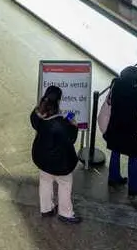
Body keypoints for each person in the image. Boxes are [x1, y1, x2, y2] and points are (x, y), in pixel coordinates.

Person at [30, 85, 81, 224]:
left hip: (42, 158)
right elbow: (71, 139)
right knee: (65, 184)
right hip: (60, 163)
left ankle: (46, 209)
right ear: (58, 101)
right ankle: (65, 213)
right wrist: (74, 125)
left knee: (45, 182)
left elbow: (36, 124)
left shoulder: (36, 114)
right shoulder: (61, 124)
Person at [102, 66, 137, 199]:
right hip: (127, 131)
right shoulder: (133, 95)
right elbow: (130, 117)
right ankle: (135, 187)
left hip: (114, 127)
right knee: (134, 155)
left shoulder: (116, 85)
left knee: (115, 151)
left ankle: (114, 177)